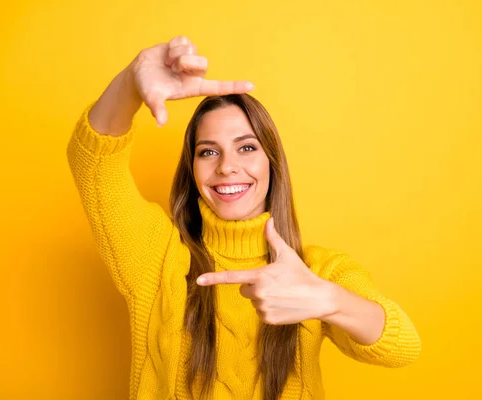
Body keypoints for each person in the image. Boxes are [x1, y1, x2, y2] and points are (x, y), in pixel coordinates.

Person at [67, 35, 421, 400]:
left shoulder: (317, 270)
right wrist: (130, 83)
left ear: (271, 161)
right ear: (192, 169)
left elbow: (403, 347)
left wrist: (329, 300)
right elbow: (93, 164)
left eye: (246, 147)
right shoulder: (155, 257)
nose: (227, 167)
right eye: (208, 152)